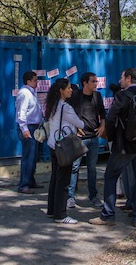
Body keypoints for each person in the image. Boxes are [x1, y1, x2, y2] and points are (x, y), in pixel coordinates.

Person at [89, 68, 136, 229]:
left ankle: (108, 215)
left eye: (122, 77)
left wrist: (110, 138)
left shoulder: (122, 96)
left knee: (110, 177)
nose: (120, 80)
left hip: (124, 146)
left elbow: (111, 118)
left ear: (128, 78)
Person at [45, 78, 84, 224]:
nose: (71, 90)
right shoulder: (65, 107)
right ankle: (60, 214)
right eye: (68, 88)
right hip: (64, 147)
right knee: (63, 181)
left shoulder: (52, 105)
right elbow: (80, 123)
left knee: (55, 178)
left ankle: (51, 209)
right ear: (61, 90)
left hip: (53, 144)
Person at [66, 72, 106, 209]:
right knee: (74, 168)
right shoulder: (75, 96)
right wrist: (74, 129)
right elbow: (67, 113)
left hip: (93, 138)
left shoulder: (97, 96)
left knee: (92, 168)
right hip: (79, 138)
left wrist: (102, 127)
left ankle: (93, 196)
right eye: (93, 81)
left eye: (96, 81)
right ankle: (70, 197)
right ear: (85, 83)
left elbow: (102, 113)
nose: (96, 84)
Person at [15, 70, 43, 194]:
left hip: (35, 127)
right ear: (28, 81)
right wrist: (24, 129)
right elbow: (21, 112)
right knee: (28, 156)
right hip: (28, 128)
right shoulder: (25, 93)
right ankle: (23, 184)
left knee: (34, 156)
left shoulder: (32, 92)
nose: (37, 82)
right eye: (35, 80)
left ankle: (30, 180)